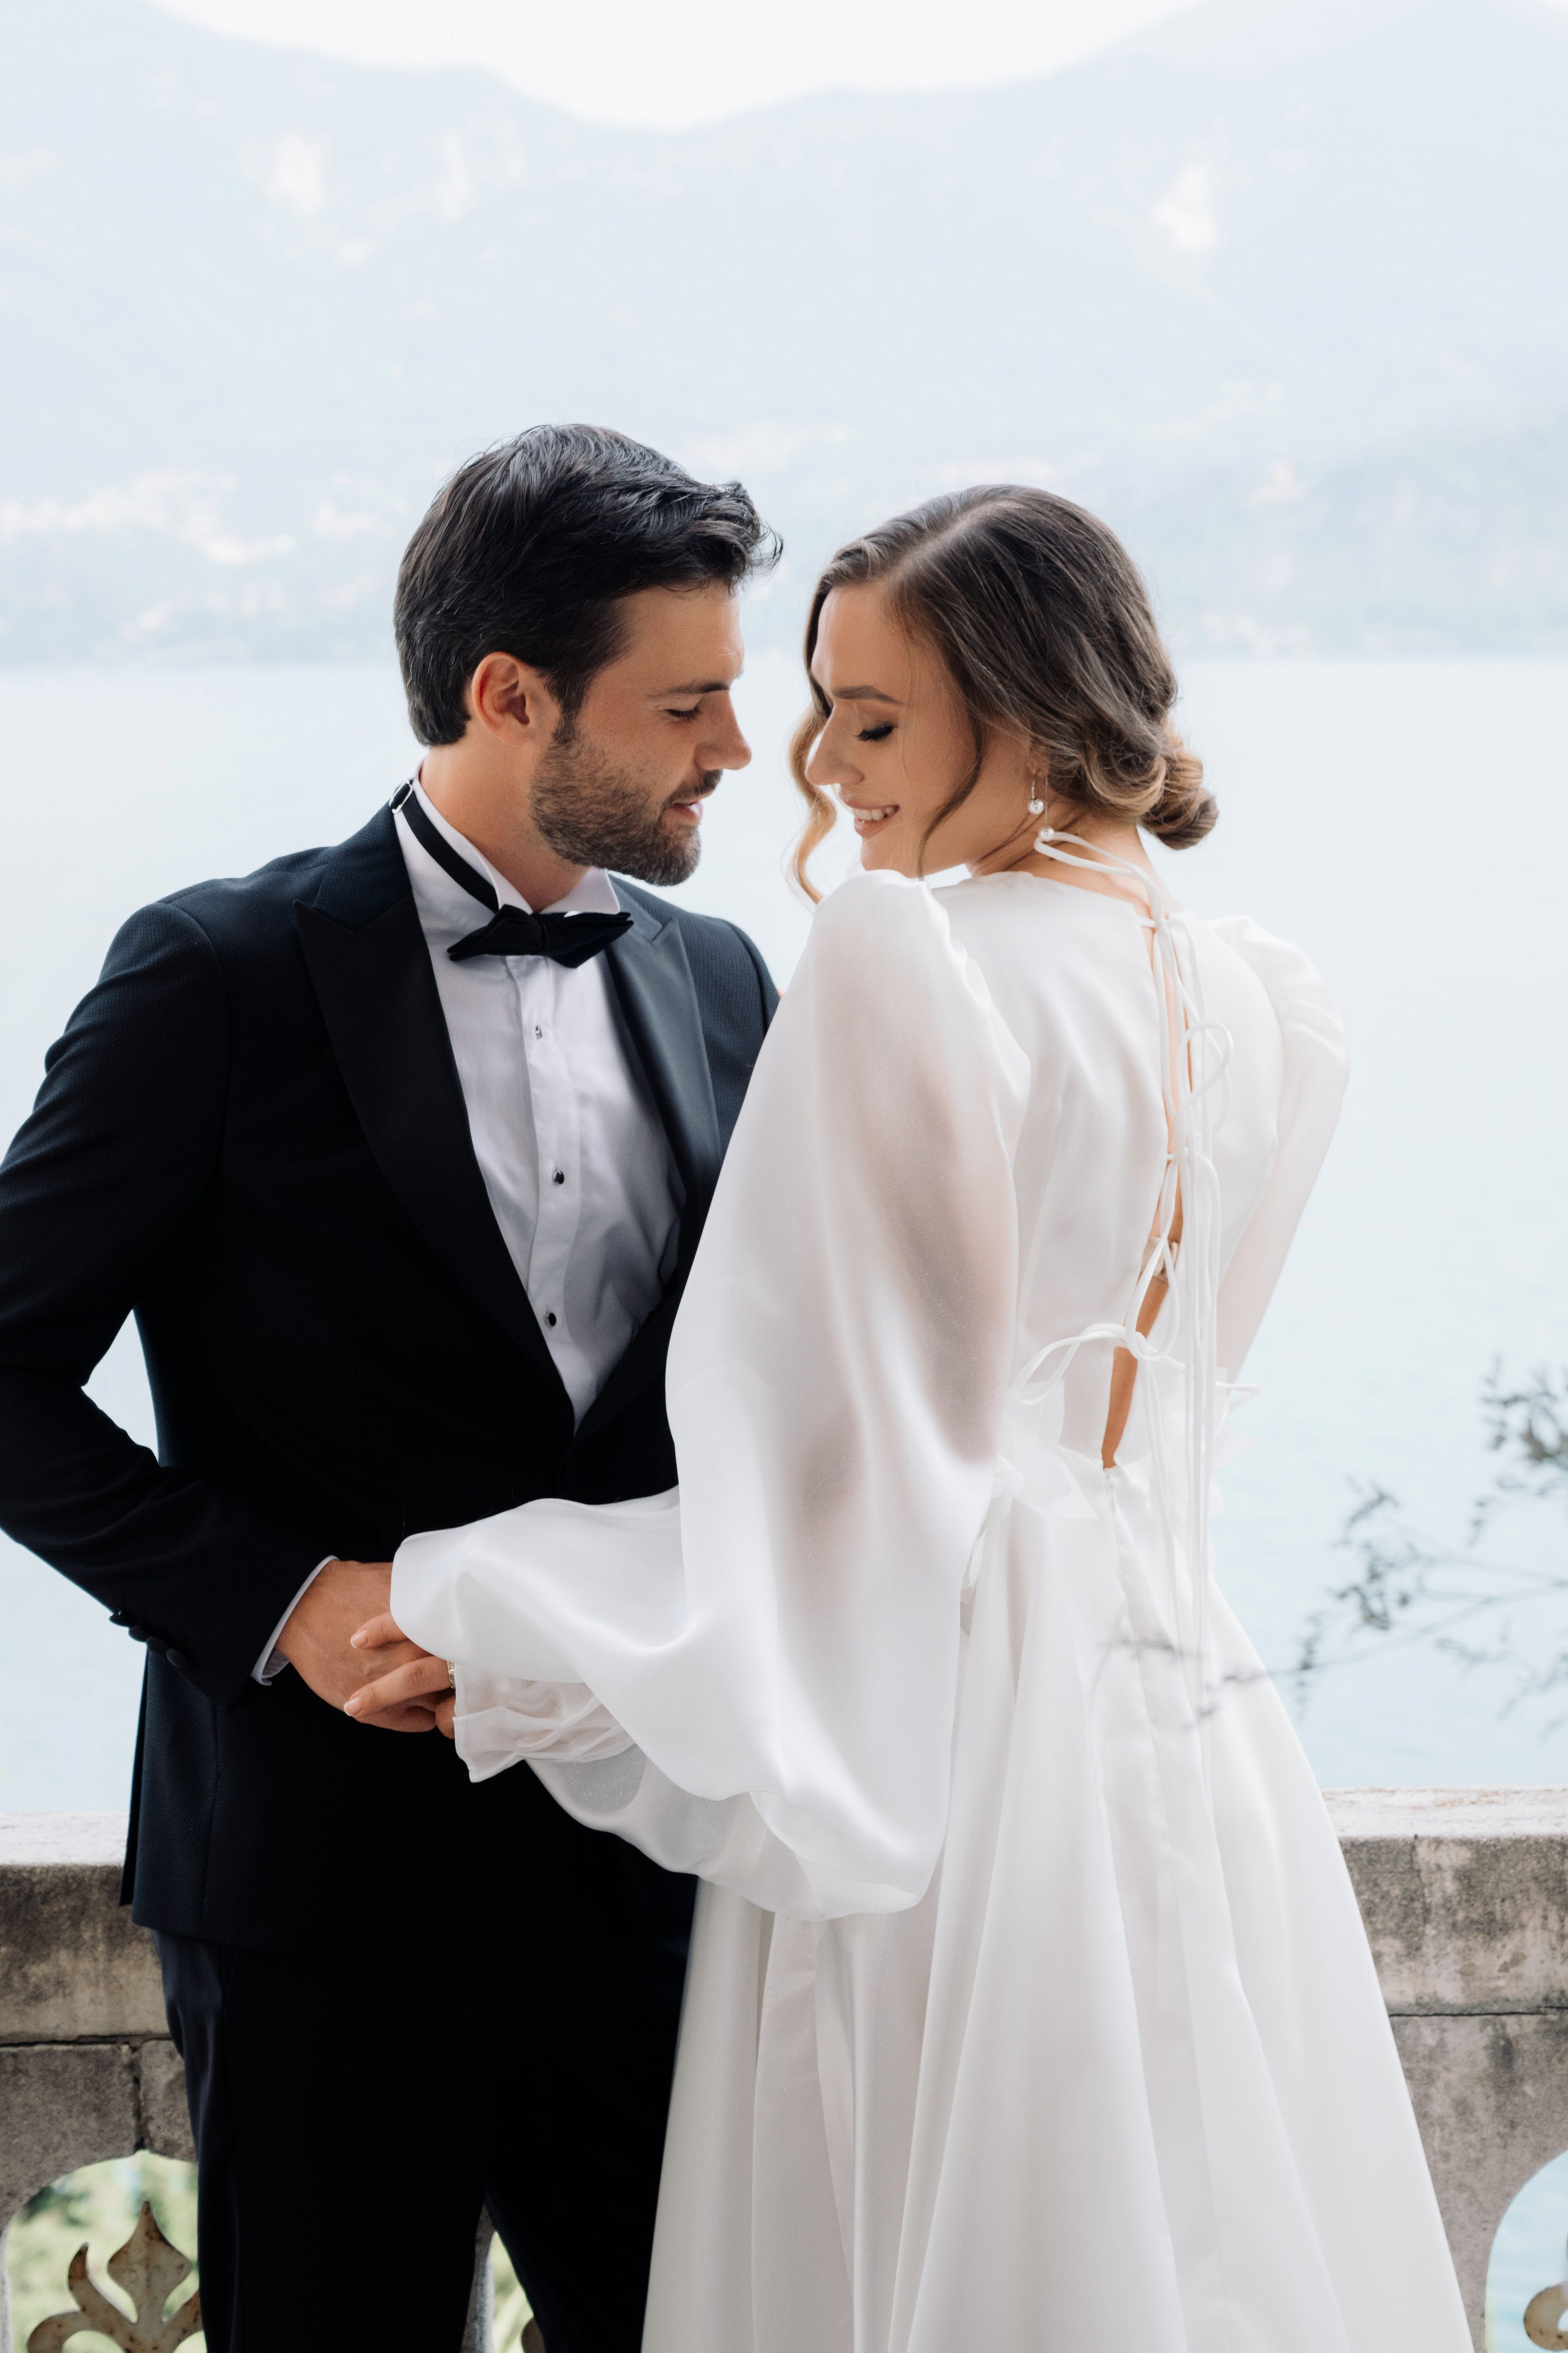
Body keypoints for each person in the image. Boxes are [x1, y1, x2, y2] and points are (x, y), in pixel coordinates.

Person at [349, 486, 1472, 2352]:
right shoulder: (1264, 998)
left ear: (1020, 712)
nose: (810, 764)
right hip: (1189, 1708)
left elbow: (807, 1464)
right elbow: (1148, 1415)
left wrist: (494, 1599)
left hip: (952, 1725)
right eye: (817, 707)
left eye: (869, 718)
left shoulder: (909, 959)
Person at [0, 424, 779, 2352]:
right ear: (512, 696)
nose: (733, 753)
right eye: (687, 704)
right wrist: (280, 1597)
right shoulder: (220, 973)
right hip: (320, 1888)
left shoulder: (730, 979)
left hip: (659, 1877)